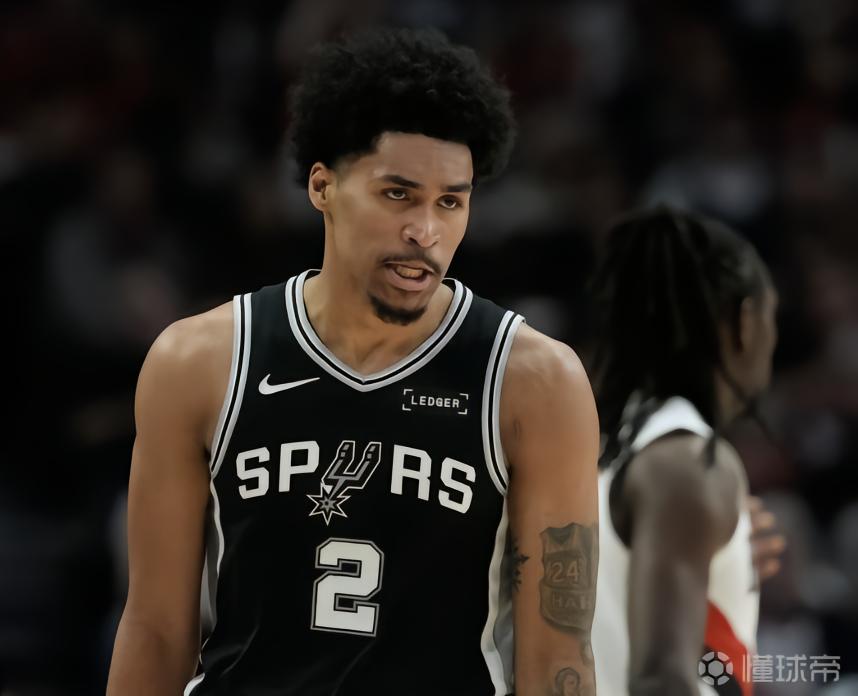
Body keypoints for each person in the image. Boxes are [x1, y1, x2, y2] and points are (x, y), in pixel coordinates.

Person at [106, 28, 600, 696]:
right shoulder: (198, 363)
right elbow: (157, 630)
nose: (425, 231)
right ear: (323, 187)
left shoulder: (534, 382)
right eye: (398, 194)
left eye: (450, 201)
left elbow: (559, 654)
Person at [588, 207, 780, 696]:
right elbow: (661, 679)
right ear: (745, 322)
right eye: (772, 316)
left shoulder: (604, 442)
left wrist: (724, 558)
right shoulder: (685, 462)